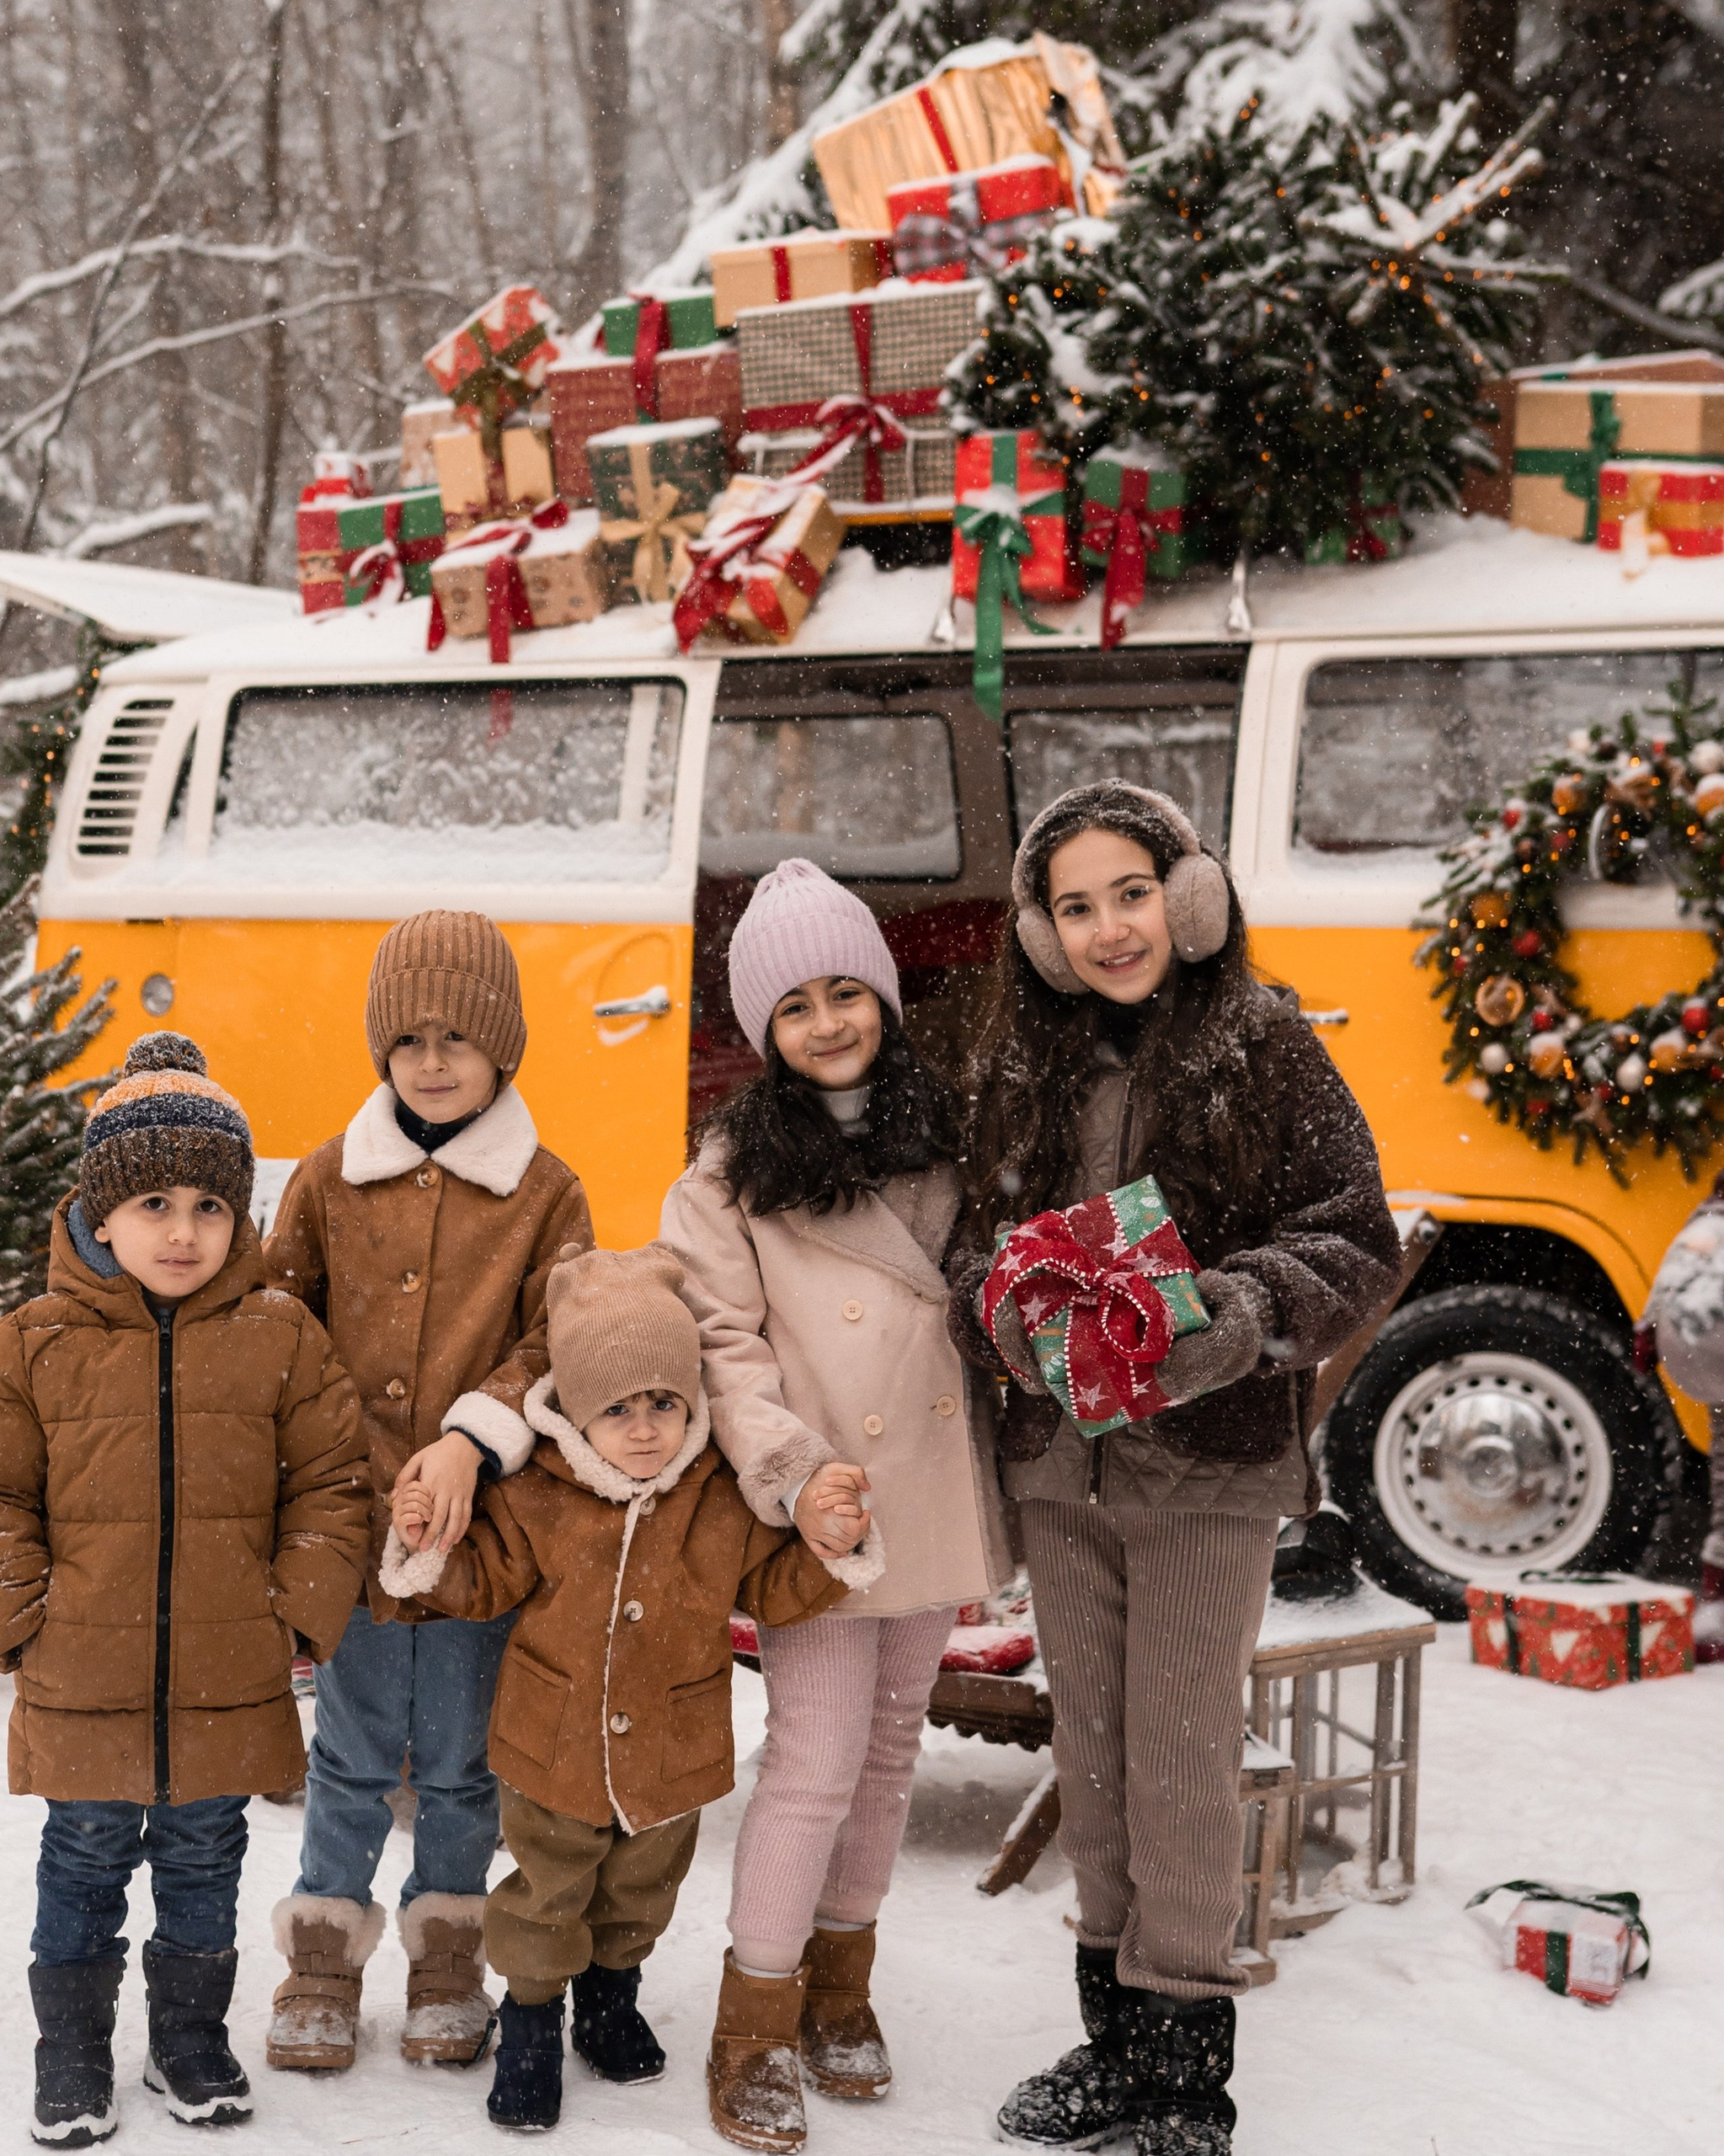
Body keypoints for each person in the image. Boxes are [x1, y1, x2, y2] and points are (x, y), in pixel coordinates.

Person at [950, 782, 1398, 2156]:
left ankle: (1186, 2081)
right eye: (1075, 907)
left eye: (1132, 895)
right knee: (1094, 1765)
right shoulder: (1021, 1068)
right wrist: (1013, 1317)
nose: (1109, 930)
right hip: (1060, 1473)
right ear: (1042, 933)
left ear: (1189, 897)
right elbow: (968, 1247)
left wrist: (1242, 1312)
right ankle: (1113, 2048)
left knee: (1184, 1770)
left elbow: (1354, 1237)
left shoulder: (1268, 1050)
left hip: (1208, 1474)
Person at [0, 1032, 371, 2146]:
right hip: (80, 1666)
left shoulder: (279, 1337)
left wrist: (296, 1610)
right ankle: (72, 2047)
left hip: (228, 1671)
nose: (184, 1231)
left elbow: (331, 1481)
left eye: (210, 1206)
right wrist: (17, 1619)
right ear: (102, 1211)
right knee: (83, 1861)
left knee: (204, 1862)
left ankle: (188, 2036)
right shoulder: (34, 1344)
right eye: (155, 1205)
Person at [659, 857, 1013, 2154]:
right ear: (764, 1032)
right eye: (794, 1005)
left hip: (928, 1491)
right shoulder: (726, 1179)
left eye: (845, 991)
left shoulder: (955, 1140)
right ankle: (753, 2019)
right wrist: (796, 1472)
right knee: (812, 1759)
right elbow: (723, 1352)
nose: (826, 1022)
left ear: (885, 996)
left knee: (890, 1748)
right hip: (819, 1508)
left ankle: (840, 1981)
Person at [378, 1243, 867, 2131]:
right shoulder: (538, 1493)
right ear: (573, 1409)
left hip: (672, 1749)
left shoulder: (717, 1496)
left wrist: (830, 1547)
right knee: (546, 1890)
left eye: (663, 1404)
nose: (644, 1429)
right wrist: (428, 1544)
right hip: (554, 1743)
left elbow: (772, 1588)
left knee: (641, 1888)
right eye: (616, 1408)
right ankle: (532, 2017)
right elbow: (482, 1581)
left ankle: (611, 1996)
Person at [263, 911, 594, 2073]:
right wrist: (335, 1467)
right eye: (408, 1039)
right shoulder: (325, 1180)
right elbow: (280, 1328)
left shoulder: (547, 1194)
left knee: (463, 1762)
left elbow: (559, 1342)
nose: (433, 1060)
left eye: (459, 1036)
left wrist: (467, 1441)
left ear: (502, 1045)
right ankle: (321, 1951)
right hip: (351, 1530)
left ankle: (449, 1951)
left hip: (481, 1533)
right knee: (348, 1754)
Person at [1642, 1175, 1724, 1661]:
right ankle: (1719, 1599)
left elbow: (1672, 1277)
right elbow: (1675, 1278)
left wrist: (1648, 1325)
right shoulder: (1711, 1220)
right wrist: (1649, 1325)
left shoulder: (1707, 1219)